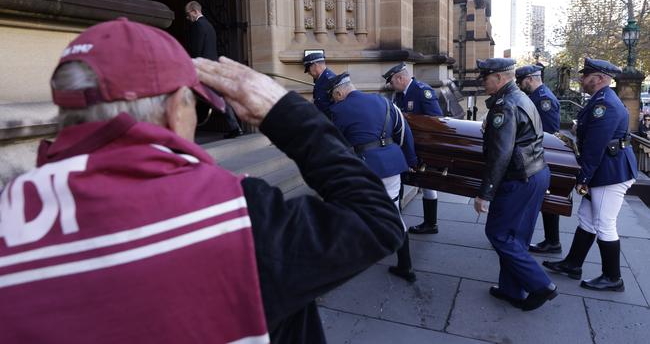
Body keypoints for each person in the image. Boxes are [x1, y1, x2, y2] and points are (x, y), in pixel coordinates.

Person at [0, 18, 405, 344]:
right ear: (177, 109)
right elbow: (375, 221)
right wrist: (283, 112)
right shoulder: (237, 217)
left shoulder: (9, 213)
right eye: (199, 109)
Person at [543, 58, 637, 292]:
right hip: (604, 169)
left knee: (605, 224)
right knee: (586, 218)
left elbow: (595, 146)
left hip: (610, 172)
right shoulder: (600, 101)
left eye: (587, 75)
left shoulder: (604, 104)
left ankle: (613, 277)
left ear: (601, 78)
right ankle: (573, 264)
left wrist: (582, 178)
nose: (582, 79)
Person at [474, 58, 557, 311]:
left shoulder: (504, 106)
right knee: (517, 237)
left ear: (499, 78)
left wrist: (485, 194)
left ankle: (541, 284)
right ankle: (512, 290)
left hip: (518, 178)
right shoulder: (521, 98)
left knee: (498, 234)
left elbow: (501, 154)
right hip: (535, 173)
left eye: (486, 78)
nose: (483, 82)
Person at [327, 72, 419, 283]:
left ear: (339, 92)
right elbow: (404, 133)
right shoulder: (384, 102)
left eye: (334, 96)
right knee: (393, 212)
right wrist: (411, 160)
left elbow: (333, 145)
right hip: (392, 164)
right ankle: (406, 266)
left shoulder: (337, 110)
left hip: (363, 168)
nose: (334, 99)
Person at [383, 63, 443, 235]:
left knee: (427, 184)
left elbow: (436, 120)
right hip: (406, 146)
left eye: (392, 82)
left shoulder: (421, 90)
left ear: (400, 78)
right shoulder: (400, 94)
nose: (391, 86)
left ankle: (431, 223)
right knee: (406, 181)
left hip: (422, 146)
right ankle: (398, 219)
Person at [515, 64, 563, 254]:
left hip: (541, 155)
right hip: (535, 155)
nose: (519, 85)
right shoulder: (535, 96)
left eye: (521, 81)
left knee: (547, 199)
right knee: (545, 201)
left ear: (530, 79)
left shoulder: (543, 100)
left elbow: (548, 132)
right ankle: (552, 241)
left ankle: (552, 241)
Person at [185, 0, 243, 138]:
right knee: (217, 97)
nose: (188, 18)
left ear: (195, 11)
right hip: (213, 66)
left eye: (188, 14)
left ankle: (187, 130)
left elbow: (196, 50)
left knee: (191, 96)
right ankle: (235, 127)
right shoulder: (209, 25)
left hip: (203, 69)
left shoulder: (198, 25)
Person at [303, 52, 337, 118]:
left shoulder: (330, 80)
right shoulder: (321, 79)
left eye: (308, 69)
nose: (309, 73)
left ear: (315, 65)